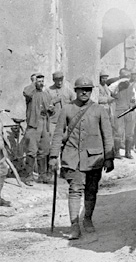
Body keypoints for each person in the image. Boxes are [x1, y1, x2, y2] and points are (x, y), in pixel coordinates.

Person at [48, 77, 114, 240]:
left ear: (91, 91)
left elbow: (107, 135)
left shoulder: (99, 110)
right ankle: (74, 226)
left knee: (91, 191)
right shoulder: (67, 109)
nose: (84, 92)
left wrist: (109, 158)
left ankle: (88, 219)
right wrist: (53, 156)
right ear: (76, 91)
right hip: (72, 158)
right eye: (81, 89)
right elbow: (57, 134)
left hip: (94, 159)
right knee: (74, 191)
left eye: (88, 89)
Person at [21, 73, 53, 186]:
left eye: (42, 81)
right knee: (31, 150)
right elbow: (26, 92)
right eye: (39, 81)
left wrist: (50, 109)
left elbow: (50, 107)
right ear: (34, 82)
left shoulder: (45, 94)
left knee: (44, 149)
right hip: (34, 124)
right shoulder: (30, 93)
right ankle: (28, 176)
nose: (41, 83)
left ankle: (42, 175)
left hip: (44, 123)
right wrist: (33, 83)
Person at [110, 68, 136, 159]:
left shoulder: (131, 86)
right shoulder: (115, 85)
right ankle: (116, 152)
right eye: (124, 76)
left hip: (129, 111)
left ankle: (128, 152)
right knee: (118, 132)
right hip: (119, 111)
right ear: (120, 76)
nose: (126, 79)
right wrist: (119, 83)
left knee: (130, 133)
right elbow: (109, 91)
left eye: (127, 76)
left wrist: (133, 103)